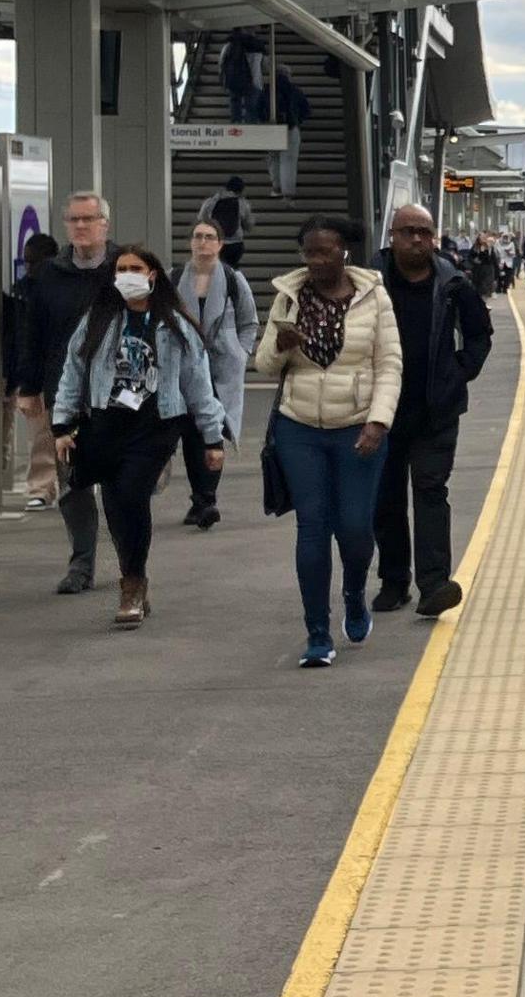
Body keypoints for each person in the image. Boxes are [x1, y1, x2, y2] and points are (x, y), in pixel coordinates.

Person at [49, 242, 227, 630]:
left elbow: (198, 384)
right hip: (106, 422)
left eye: (135, 268)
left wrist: (213, 438)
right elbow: (72, 372)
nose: (127, 275)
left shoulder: (175, 325)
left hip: (156, 424)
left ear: (152, 274)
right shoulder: (99, 318)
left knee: (131, 493)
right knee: (115, 506)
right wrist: (61, 425)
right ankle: (135, 575)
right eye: (121, 269)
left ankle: (131, 582)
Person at [259, 219, 402, 667]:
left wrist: (378, 422)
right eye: (309, 253)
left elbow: (390, 365)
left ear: (344, 252)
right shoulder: (288, 297)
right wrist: (281, 345)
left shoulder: (374, 296)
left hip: (357, 426)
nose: (317, 262)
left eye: (325, 252)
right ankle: (317, 633)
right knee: (312, 528)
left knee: (357, 527)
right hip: (298, 428)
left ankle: (355, 591)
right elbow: (264, 366)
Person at [372, 203, 492, 621]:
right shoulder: (371, 282)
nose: (418, 239)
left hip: (436, 411)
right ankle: (393, 580)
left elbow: (479, 335)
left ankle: (434, 585)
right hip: (380, 412)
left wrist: (458, 374)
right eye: (409, 232)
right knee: (385, 497)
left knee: (430, 491)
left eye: (425, 232)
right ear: (393, 235)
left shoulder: (454, 283)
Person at [32, 193, 124, 591]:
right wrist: (27, 385)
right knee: (73, 482)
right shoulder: (49, 273)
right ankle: (81, 564)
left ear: (105, 222)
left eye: (89, 219)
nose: (81, 226)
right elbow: (33, 332)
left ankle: (130, 566)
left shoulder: (128, 267)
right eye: (74, 220)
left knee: (122, 484)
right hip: (64, 393)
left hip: (121, 393)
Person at [177, 216, 259, 530]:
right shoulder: (175, 278)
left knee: (213, 430)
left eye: (210, 237)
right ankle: (199, 496)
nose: (203, 242)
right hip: (187, 364)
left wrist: (241, 352)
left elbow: (249, 322)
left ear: (220, 244)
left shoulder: (233, 279)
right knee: (190, 432)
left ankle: (207, 498)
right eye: (198, 236)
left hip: (222, 366)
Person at [1, 231, 65, 510]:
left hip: (52, 369)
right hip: (31, 370)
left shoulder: (49, 290)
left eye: (34, 261)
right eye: (27, 262)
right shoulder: (22, 291)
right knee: (40, 434)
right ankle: (41, 487)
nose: (30, 267)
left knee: (49, 434)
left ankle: (48, 486)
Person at [264, 66, 314, 197]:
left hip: (271, 129)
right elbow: (306, 110)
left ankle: (276, 187)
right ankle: (288, 193)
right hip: (291, 128)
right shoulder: (295, 91)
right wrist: (297, 120)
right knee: (288, 161)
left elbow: (259, 109)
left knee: (273, 158)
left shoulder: (267, 91)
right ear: (288, 75)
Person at [199, 175, 251, 270]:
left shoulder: (211, 201)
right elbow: (248, 225)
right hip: (235, 244)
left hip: (215, 242)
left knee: (215, 270)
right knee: (232, 270)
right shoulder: (242, 203)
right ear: (241, 190)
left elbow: (201, 218)